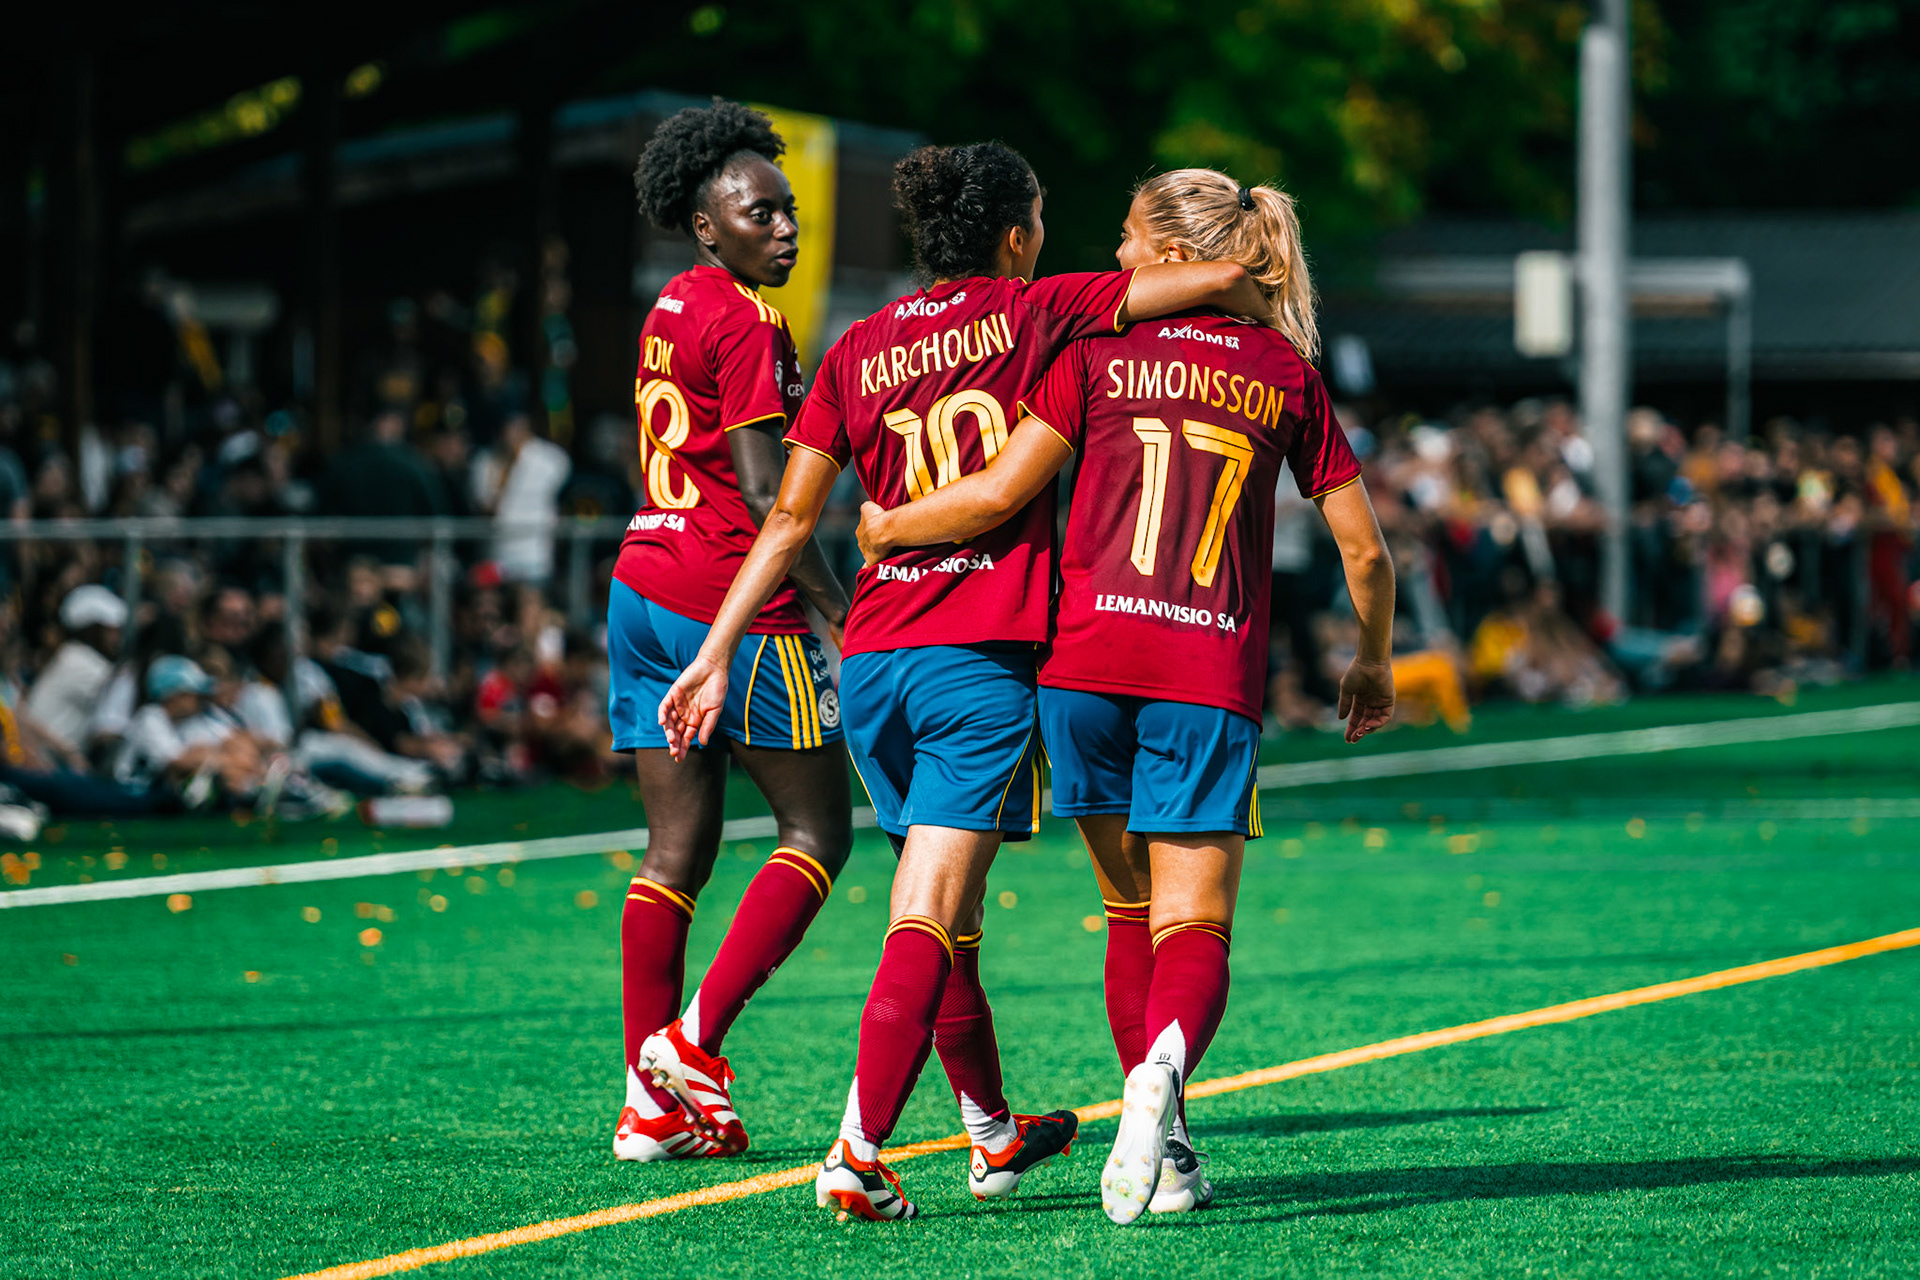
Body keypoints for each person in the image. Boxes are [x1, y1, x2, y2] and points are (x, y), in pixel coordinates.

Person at [659, 142, 1277, 1220]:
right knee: (930, 913)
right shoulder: (1044, 308)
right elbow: (1211, 280)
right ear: (1017, 233)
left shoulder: (858, 345)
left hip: (875, 662)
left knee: (953, 918)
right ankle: (858, 1147)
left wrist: (713, 651)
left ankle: (991, 1129)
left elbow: (794, 516)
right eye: (1040, 215)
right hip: (977, 658)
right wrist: (1243, 255)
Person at [851, 168, 1397, 1224]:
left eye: (1122, 237)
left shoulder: (1091, 349)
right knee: (1194, 923)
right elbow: (1365, 552)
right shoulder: (1282, 368)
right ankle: (1164, 1087)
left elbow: (1001, 490)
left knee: (1126, 907)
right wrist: (1372, 659)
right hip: (1207, 673)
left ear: (1162, 254)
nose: (1109, 252)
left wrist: (886, 526)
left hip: (1083, 669)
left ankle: (1171, 1148)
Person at [606, 99, 857, 1165]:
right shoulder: (749, 319)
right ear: (707, 222)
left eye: (790, 210)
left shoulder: (672, 303)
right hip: (731, 604)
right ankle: (693, 1049)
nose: (785, 228)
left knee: (677, 850)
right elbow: (770, 497)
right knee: (818, 830)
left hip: (639, 585)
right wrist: (843, 606)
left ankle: (645, 1103)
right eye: (761, 213)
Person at [24, 585, 128, 770]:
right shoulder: (80, 661)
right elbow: (125, 696)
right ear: (93, 630)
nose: (117, 638)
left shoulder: (71, 655)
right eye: (111, 630)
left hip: (52, 760)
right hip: (48, 762)